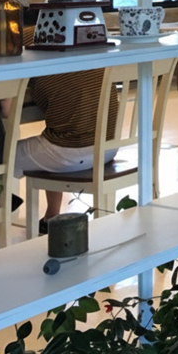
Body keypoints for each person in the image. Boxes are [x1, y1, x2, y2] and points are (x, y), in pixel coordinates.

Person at [12, 67, 119, 232]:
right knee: (49, 140)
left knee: (0, 157)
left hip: (71, 152)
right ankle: (51, 216)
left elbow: (8, 109)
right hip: (108, 149)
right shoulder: (95, 59)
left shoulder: (41, 71)